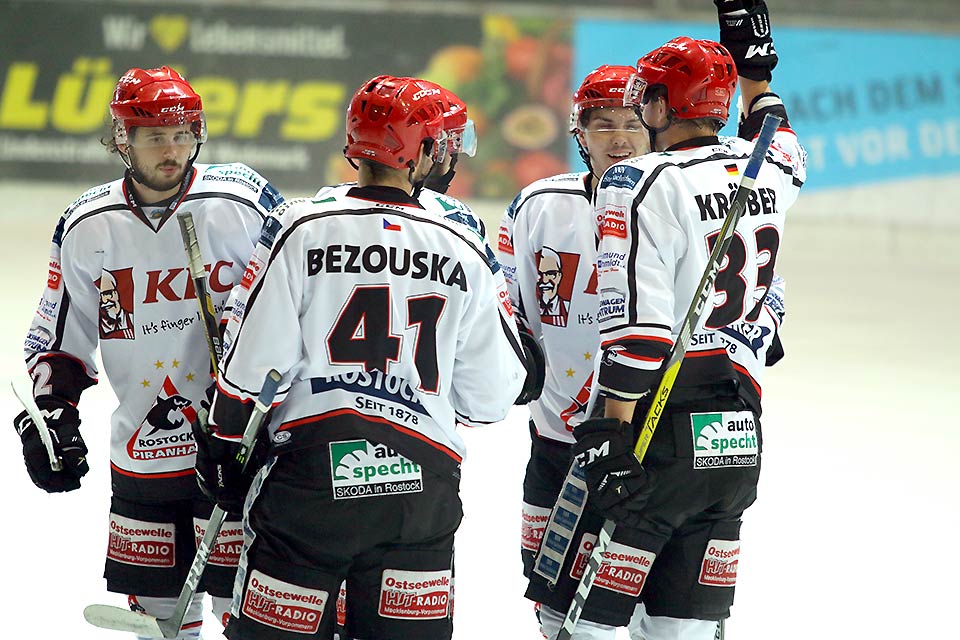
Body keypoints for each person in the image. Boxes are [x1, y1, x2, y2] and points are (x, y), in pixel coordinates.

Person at [194, 74, 532, 640]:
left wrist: (226, 444)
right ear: (419, 151)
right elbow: (491, 397)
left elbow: (252, 361)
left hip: (308, 479)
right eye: (442, 142)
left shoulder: (299, 227)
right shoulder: (464, 242)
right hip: (421, 486)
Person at [536, 1, 806, 638]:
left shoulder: (640, 181)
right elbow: (775, 122)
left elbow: (640, 331)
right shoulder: (774, 166)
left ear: (659, 109)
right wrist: (757, 70)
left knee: (590, 625)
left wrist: (613, 428)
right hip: (737, 427)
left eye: (647, 102)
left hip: (660, 423)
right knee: (683, 628)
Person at [12, 66, 284, 640]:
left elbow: (294, 315)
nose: (172, 149)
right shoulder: (89, 224)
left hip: (240, 446)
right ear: (123, 139)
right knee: (161, 618)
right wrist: (51, 414)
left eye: (182, 133)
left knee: (250, 612)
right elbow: (58, 338)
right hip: (145, 452)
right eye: (155, 136)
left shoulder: (243, 202)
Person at [497, 64, 648, 636]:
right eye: (602, 123)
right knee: (554, 604)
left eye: (633, 123)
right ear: (578, 132)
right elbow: (501, 296)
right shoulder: (537, 204)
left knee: (645, 604)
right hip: (556, 439)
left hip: (645, 438)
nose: (620, 138)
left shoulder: (673, 198)